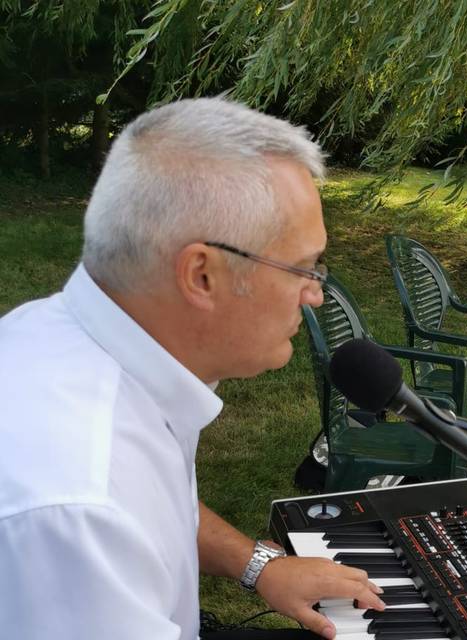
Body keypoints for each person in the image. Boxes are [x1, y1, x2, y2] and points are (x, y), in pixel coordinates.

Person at [0, 98, 386, 639]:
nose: (316, 295)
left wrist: (261, 565)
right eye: (301, 269)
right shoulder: (79, 509)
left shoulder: (65, 335)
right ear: (202, 275)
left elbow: (157, 508)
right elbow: (110, 511)